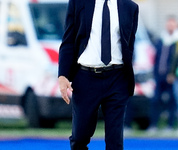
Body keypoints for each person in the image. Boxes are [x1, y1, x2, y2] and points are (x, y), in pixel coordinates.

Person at [58, 0, 139, 149]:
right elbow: (68, 40)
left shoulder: (130, 7)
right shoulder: (78, 3)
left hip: (117, 78)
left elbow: (129, 45)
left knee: (115, 141)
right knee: (79, 137)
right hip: (85, 78)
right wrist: (63, 75)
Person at [148, 16, 178, 134]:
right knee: (155, 100)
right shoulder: (161, 40)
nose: (170, 26)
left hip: (172, 76)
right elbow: (156, 57)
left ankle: (170, 125)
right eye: (169, 24)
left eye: (172, 24)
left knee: (172, 101)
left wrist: (173, 74)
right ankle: (154, 125)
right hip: (159, 75)